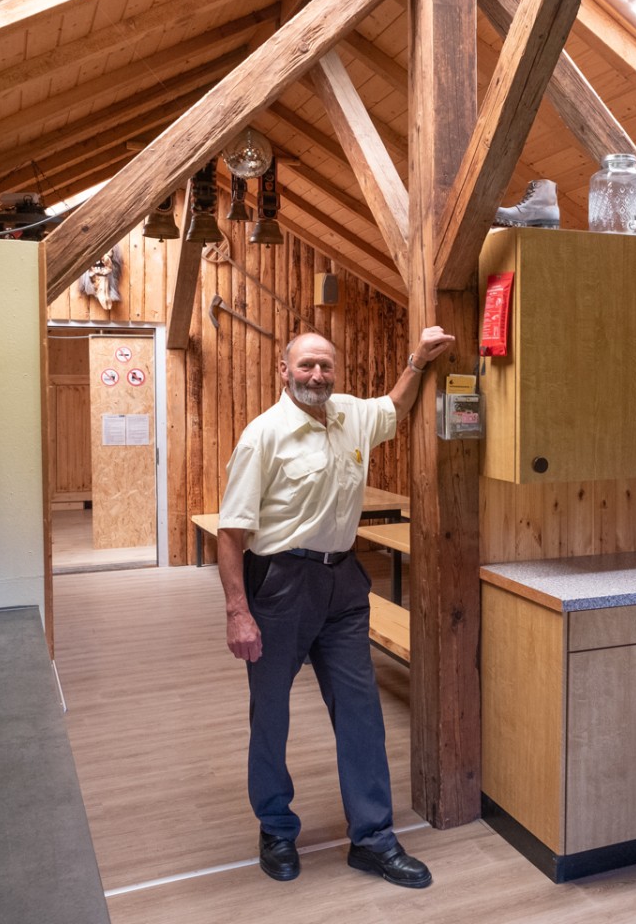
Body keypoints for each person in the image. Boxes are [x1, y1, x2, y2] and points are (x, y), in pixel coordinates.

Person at [216, 325, 455, 888]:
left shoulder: (349, 414)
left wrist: (418, 359)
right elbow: (230, 534)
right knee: (271, 715)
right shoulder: (263, 436)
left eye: (325, 365)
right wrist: (237, 611)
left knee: (361, 714)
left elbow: (394, 405)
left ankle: (373, 838)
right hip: (279, 586)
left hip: (344, 583)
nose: (317, 375)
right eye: (306, 366)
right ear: (284, 370)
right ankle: (276, 827)